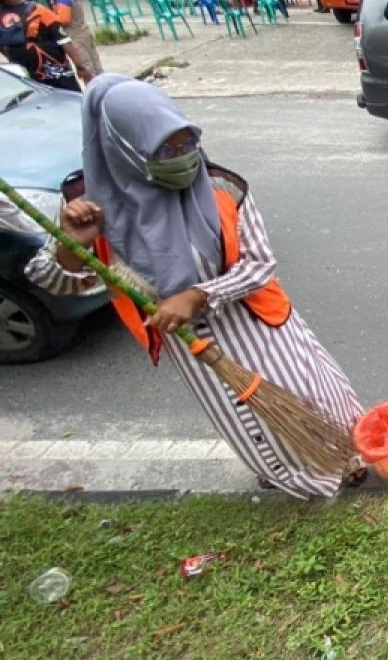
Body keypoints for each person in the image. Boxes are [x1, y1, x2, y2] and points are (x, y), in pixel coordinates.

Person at [25, 75, 366, 497]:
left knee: (315, 393)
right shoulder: (91, 207)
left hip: (260, 327)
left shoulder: (221, 186)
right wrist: (71, 246)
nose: (182, 157)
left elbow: (260, 265)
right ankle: (295, 477)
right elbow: (52, 281)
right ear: (125, 146)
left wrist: (198, 294)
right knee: (249, 418)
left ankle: (351, 458)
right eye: (164, 149)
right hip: (196, 349)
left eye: (185, 141)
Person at [0, 0, 93, 91]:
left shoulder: (39, 11)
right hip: (26, 77)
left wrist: (81, 68)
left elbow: (64, 41)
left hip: (57, 74)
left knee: (70, 102)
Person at [44, 0, 103, 76]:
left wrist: (50, 18)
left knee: (86, 67)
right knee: (95, 62)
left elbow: (65, 19)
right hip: (83, 29)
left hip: (74, 34)